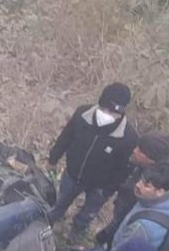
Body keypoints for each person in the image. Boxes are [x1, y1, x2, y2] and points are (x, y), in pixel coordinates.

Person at [47, 83, 139, 240]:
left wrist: (108, 190)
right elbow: (65, 137)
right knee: (60, 201)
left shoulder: (128, 137)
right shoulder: (82, 115)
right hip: (72, 174)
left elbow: (124, 170)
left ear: (122, 112)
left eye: (113, 113)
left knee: (88, 213)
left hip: (99, 187)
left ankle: (76, 231)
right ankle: (51, 220)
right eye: (104, 109)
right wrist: (53, 158)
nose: (107, 115)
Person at [96, 131, 169, 249]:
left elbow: (124, 216)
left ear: (151, 160)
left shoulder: (147, 186)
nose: (134, 150)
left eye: (140, 151)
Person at [110, 161, 169, 251]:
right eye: (141, 179)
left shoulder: (141, 227)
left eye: (146, 186)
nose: (138, 185)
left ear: (160, 192)